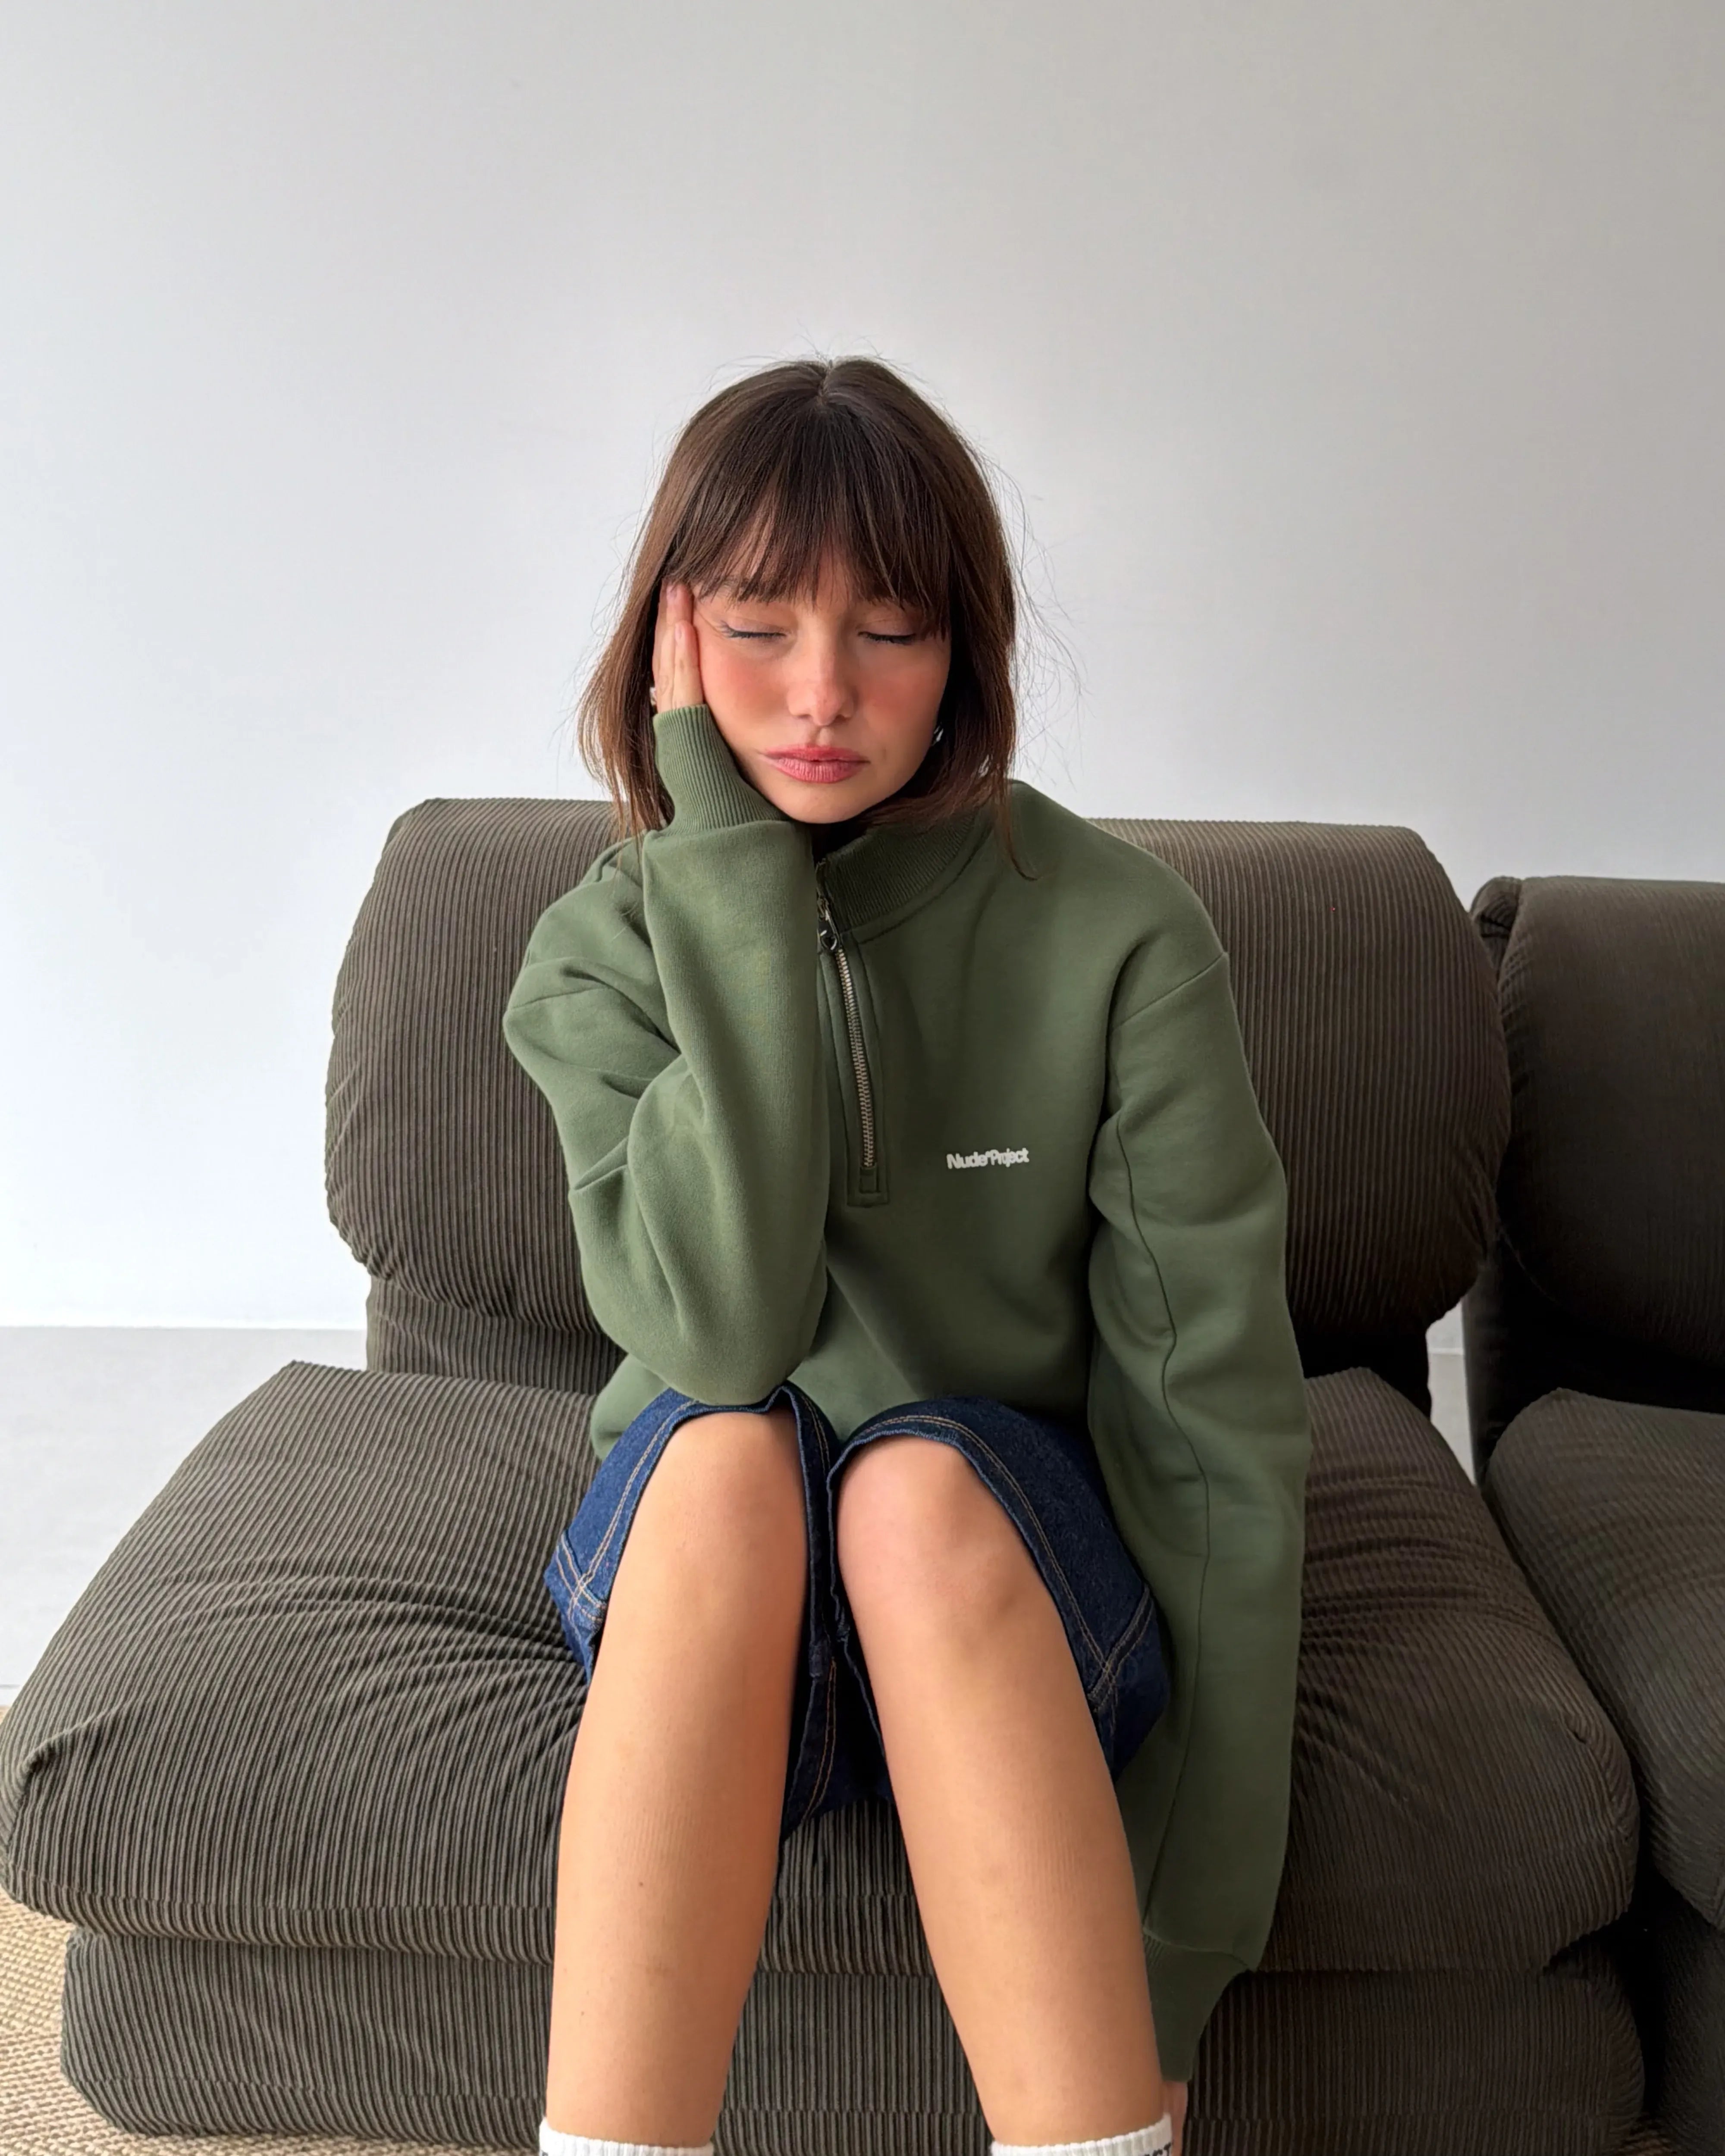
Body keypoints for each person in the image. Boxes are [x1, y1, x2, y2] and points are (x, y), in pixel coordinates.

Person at [502, 355, 1311, 2156]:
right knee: (727, 1454)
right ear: (668, 639)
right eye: (757, 625)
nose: (820, 693)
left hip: (1000, 1597)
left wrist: (1176, 1951)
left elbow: (1212, 1431)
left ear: (963, 653)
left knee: (913, 1489)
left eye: (887, 629)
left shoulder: (1119, 935)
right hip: (717, 1600)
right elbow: (723, 1329)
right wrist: (730, 878)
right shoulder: (598, 955)